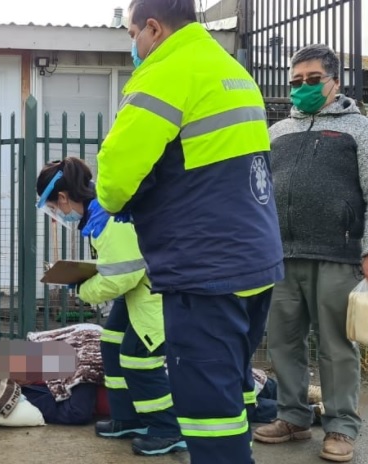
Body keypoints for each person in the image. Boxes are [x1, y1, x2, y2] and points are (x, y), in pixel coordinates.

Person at [94, 0, 285, 462]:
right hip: (254, 258)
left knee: (205, 404)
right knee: (235, 387)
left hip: (204, 266)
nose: (134, 48)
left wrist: (114, 199)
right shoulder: (230, 69)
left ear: (154, 29)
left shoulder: (166, 71)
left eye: (132, 36)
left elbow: (116, 180)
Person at [251, 44, 368, 463]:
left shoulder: (360, 130)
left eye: (312, 80)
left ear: (334, 81)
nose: (302, 88)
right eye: (295, 81)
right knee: (283, 343)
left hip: (338, 253)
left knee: (336, 346)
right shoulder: (277, 133)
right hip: (282, 256)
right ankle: (293, 417)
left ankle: (341, 427)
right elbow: (258, 193)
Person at [36, 157, 186, 456]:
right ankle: (128, 418)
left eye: (53, 207)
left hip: (154, 295)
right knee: (112, 344)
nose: (56, 214)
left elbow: (123, 275)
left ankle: (167, 429)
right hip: (141, 291)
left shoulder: (108, 220)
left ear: (63, 198)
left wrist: (82, 287)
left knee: (138, 359)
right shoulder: (100, 214)